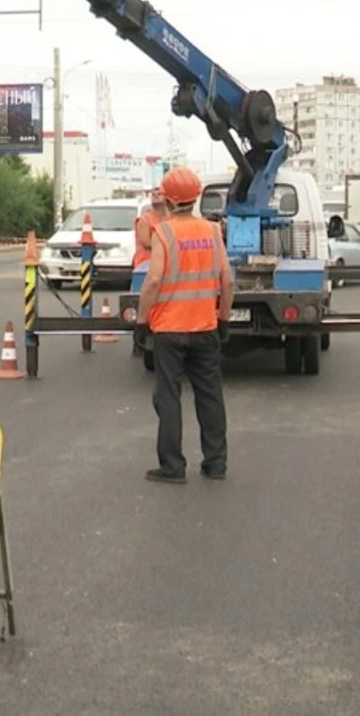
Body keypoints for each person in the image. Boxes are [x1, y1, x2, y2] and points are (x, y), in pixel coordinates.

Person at [137, 166, 235, 484]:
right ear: (196, 197)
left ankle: (172, 467)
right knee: (210, 396)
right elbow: (227, 281)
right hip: (205, 327)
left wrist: (141, 322)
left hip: (168, 329)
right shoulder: (211, 231)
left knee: (168, 396)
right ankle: (216, 463)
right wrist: (223, 320)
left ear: (168, 197)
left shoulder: (163, 233)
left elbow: (153, 281)